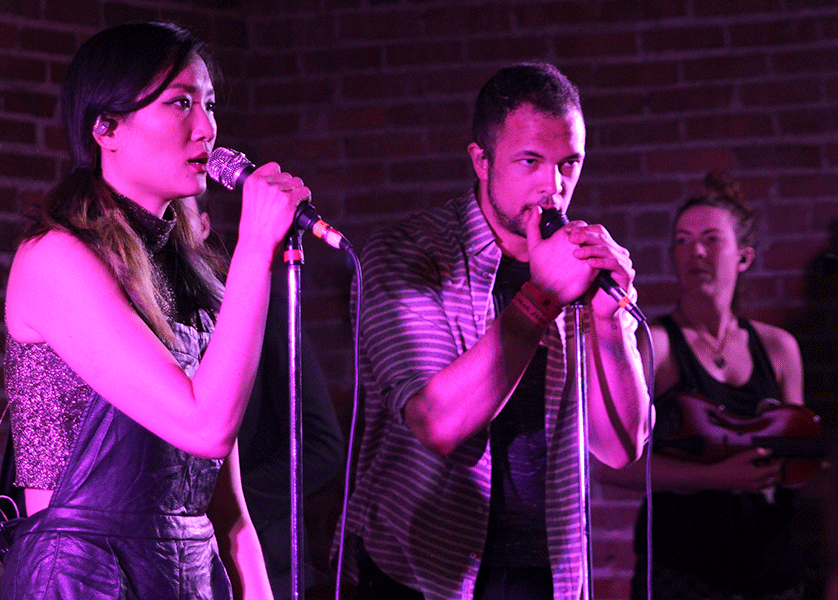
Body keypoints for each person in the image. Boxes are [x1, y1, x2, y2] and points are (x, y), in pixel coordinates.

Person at [1, 22, 311, 600]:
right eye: (181, 103)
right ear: (106, 127)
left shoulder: (183, 268)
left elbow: (226, 507)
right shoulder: (55, 259)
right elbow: (205, 426)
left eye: (211, 103)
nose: (208, 129)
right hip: (83, 578)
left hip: (187, 572)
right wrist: (253, 249)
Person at [335, 61, 651, 600]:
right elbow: (437, 421)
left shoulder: (574, 260)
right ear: (481, 161)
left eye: (568, 164)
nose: (553, 187)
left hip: (546, 574)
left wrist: (609, 320)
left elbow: (621, 446)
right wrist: (543, 296)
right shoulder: (407, 255)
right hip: (421, 574)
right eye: (530, 161)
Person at [595, 172, 810, 600]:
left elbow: (799, 455)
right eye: (682, 240)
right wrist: (714, 476)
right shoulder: (655, 345)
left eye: (711, 239)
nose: (694, 250)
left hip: (772, 572)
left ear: (744, 257)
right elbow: (609, 466)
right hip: (685, 574)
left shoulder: (779, 347)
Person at [184, 196, 346, 600]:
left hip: (263, 562)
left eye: (177, 212)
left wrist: (217, 508)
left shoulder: (258, 306)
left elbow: (322, 444)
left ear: (204, 226)